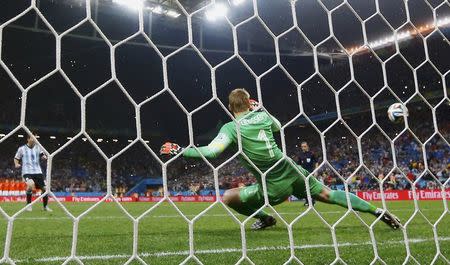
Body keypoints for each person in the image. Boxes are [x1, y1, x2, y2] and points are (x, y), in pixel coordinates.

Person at [160, 88, 399, 230]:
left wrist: (179, 150)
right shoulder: (263, 117)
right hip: (291, 169)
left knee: (229, 197)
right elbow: (277, 125)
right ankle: (376, 211)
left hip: (274, 183)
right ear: (249, 102)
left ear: (230, 107)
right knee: (328, 194)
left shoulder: (231, 128)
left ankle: (265, 219)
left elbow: (212, 152)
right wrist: (261, 109)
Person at [14, 133, 52, 212]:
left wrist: (44, 157)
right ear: (28, 139)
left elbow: (42, 155)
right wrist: (16, 163)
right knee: (31, 185)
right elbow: (16, 158)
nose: (35, 139)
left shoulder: (38, 148)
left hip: (38, 172)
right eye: (32, 138)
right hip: (27, 172)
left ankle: (45, 207)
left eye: (36, 137)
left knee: (45, 189)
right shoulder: (22, 149)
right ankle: (28, 205)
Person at [297, 141, 318, 206]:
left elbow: (316, 162)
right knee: (304, 188)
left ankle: (313, 201)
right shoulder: (300, 155)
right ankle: (307, 201)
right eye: (302, 147)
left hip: (311, 172)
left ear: (307, 146)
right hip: (303, 173)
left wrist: (316, 171)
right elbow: (299, 165)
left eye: (304, 146)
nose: (303, 148)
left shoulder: (312, 154)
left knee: (311, 187)